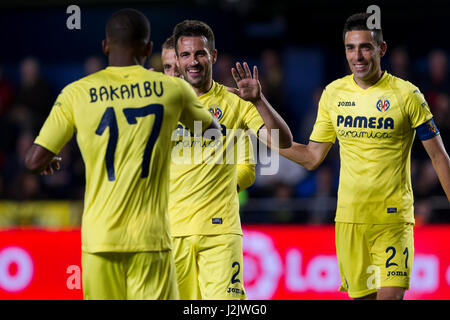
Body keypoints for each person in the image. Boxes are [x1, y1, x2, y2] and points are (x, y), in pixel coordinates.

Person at [24, 8, 219, 300]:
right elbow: (212, 132)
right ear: (149, 48)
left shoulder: (76, 93)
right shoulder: (172, 89)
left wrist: (48, 160)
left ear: (105, 46)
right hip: (151, 241)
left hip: (100, 241)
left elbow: (33, 161)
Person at [278, 13, 450, 300]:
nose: (357, 55)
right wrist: (265, 137)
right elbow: (311, 157)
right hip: (350, 221)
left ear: (381, 49)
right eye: (350, 48)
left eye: (365, 47)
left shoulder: (407, 95)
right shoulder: (333, 94)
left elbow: (439, 157)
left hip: (392, 221)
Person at [168, 19, 292, 300]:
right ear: (176, 59)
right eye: (185, 55)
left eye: (200, 53)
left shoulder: (236, 102)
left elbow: (282, 141)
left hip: (220, 232)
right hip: (171, 232)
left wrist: (259, 100)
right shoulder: (164, 104)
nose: (193, 61)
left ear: (213, 55)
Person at [160, 35, 256, 194]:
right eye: (167, 67)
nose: (173, 75)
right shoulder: (155, 109)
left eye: (177, 68)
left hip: (215, 212)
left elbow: (246, 167)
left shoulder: (227, 105)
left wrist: (215, 192)